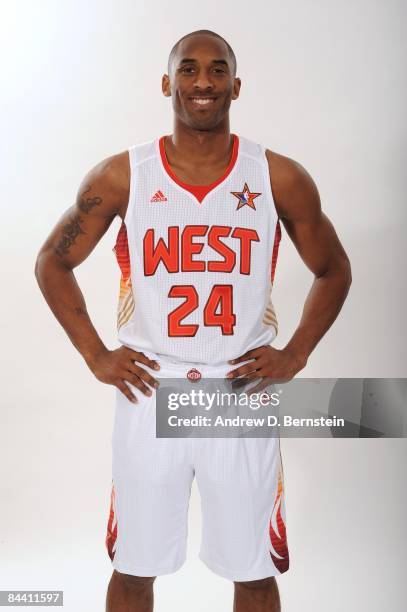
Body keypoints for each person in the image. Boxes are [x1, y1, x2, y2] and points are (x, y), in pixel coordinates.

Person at [35, 29, 351, 612]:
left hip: (240, 388)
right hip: (151, 385)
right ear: (167, 82)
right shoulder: (122, 175)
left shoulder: (278, 176)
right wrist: (96, 355)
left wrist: (296, 354)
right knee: (134, 566)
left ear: (235, 84)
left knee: (253, 570)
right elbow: (53, 261)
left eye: (216, 69)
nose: (202, 81)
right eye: (188, 69)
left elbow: (334, 269)